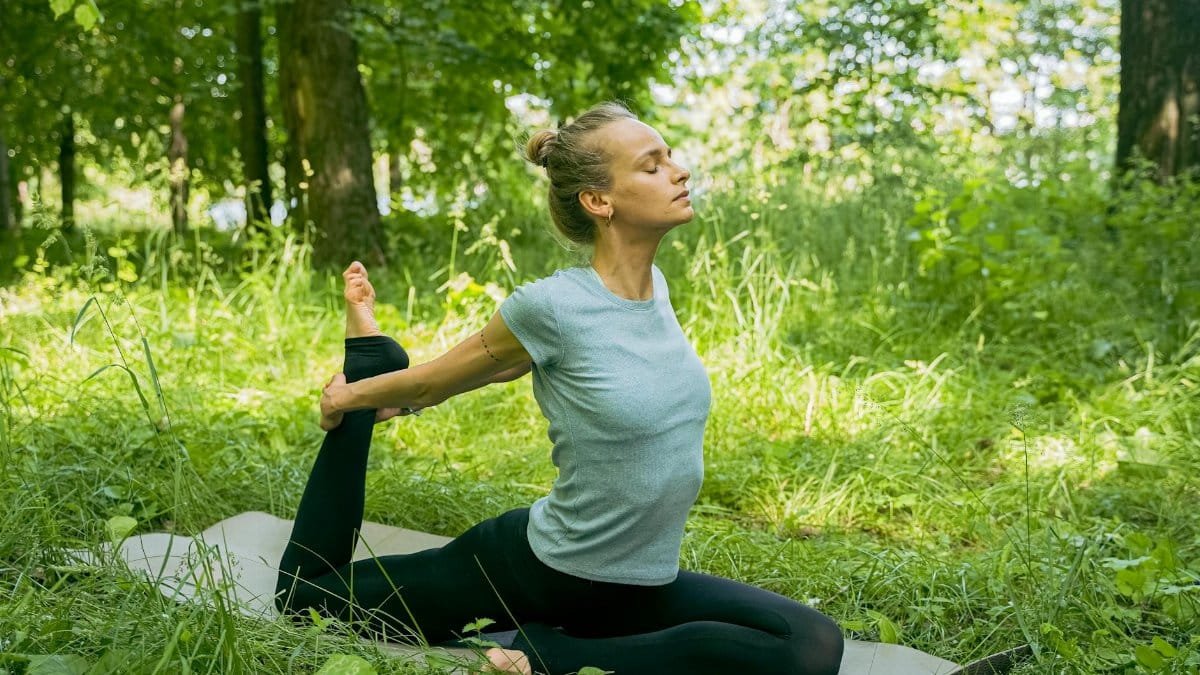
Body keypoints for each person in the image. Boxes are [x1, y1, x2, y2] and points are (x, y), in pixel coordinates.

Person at [276, 101, 844, 675]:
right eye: (651, 166)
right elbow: (440, 379)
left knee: (810, 644)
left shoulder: (657, 291)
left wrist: (391, 398)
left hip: (637, 582)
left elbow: (524, 364)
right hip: (540, 568)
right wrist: (350, 398)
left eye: (670, 158)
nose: (679, 172)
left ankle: (551, 649)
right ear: (600, 201)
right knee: (305, 601)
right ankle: (550, 653)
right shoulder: (550, 305)